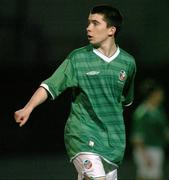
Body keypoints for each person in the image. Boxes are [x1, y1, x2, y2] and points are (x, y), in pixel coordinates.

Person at [14, 4, 136, 180]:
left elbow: (125, 100)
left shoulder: (128, 63)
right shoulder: (78, 58)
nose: (88, 28)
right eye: (88, 23)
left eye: (95, 23)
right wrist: (28, 108)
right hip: (82, 135)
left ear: (111, 30)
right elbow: (50, 85)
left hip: (113, 142)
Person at [131, 79, 169, 180]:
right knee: (144, 176)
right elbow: (137, 138)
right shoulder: (142, 113)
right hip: (146, 150)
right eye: (160, 94)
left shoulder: (159, 110)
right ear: (153, 95)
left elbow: (164, 131)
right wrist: (145, 156)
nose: (162, 96)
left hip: (157, 149)